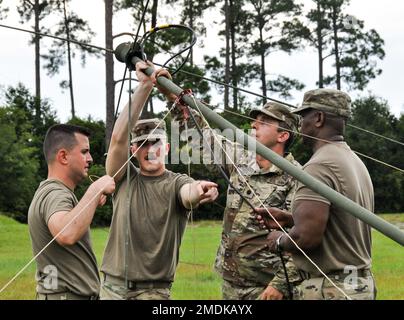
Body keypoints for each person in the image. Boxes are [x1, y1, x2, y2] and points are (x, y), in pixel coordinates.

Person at [156, 70, 302, 300]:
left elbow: (304, 236)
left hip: (268, 288)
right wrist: (172, 95)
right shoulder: (240, 158)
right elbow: (201, 137)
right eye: (255, 120)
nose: (254, 125)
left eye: (263, 122)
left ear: (283, 135)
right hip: (232, 282)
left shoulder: (297, 177)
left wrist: (280, 286)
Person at [100, 61, 219, 300]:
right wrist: (145, 86)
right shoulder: (123, 177)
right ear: (133, 150)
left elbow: (189, 193)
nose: (149, 149)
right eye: (142, 144)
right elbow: (117, 139)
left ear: (165, 147)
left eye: (155, 143)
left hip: (155, 293)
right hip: (112, 290)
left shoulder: (176, 182)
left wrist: (200, 190)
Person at [257, 88, 376, 300]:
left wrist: (278, 240)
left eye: (304, 117)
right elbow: (342, 219)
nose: (300, 125)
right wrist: (291, 219)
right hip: (358, 286)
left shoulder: (319, 166)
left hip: (332, 289)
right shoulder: (353, 161)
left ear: (318, 118)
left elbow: (306, 236)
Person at [28, 124, 116, 300]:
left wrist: (89, 203)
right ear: (63, 156)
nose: (90, 158)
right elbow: (66, 233)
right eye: (84, 152)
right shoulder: (55, 193)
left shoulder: (52, 192)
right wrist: (95, 189)